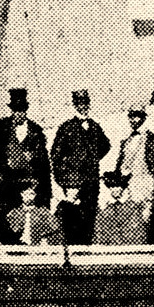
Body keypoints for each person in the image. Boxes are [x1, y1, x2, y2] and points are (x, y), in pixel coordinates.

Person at [0, 88, 52, 214]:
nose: (18, 114)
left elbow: (43, 165)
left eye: (21, 110)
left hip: (28, 186)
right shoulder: (0, 129)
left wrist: (46, 195)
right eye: (15, 110)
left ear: (26, 110)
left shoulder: (36, 132)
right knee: (6, 222)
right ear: (11, 110)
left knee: (28, 224)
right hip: (5, 184)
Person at [50, 90, 111, 244]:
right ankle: (71, 249)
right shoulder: (66, 128)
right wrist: (66, 179)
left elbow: (106, 145)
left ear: (89, 105)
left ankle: (86, 249)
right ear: (74, 105)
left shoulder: (95, 126)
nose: (82, 107)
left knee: (89, 215)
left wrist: (92, 160)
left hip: (91, 182)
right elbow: (55, 156)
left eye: (85, 103)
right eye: (79, 104)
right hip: (73, 183)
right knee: (72, 216)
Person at [114, 104, 154, 242]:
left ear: (143, 118)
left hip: (146, 184)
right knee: (131, 218)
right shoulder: (127, 140)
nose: (134, 120)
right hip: (129, 185)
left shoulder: (152, 140)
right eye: (132, 117)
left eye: (137, 116)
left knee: (146, 219)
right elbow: (122, 165)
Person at [93, 171, 147, 245]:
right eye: (112, 186)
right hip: (110, 250)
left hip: (131, 248)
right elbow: (99, 233)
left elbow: (139, 233)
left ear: (123, 188)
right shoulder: (104, 210)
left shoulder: (133, 208)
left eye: (118, 186)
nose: (115, 189)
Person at [5, 179, 60, 245]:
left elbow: (55, 227)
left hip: (38, 246)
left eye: (31, 194)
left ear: (35, 195)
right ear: (21, 194)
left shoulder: (43, 212)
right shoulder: (13, 213)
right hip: (17, 247)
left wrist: (45, 238)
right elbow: (9, 230)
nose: (28, 197)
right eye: (25, 194)